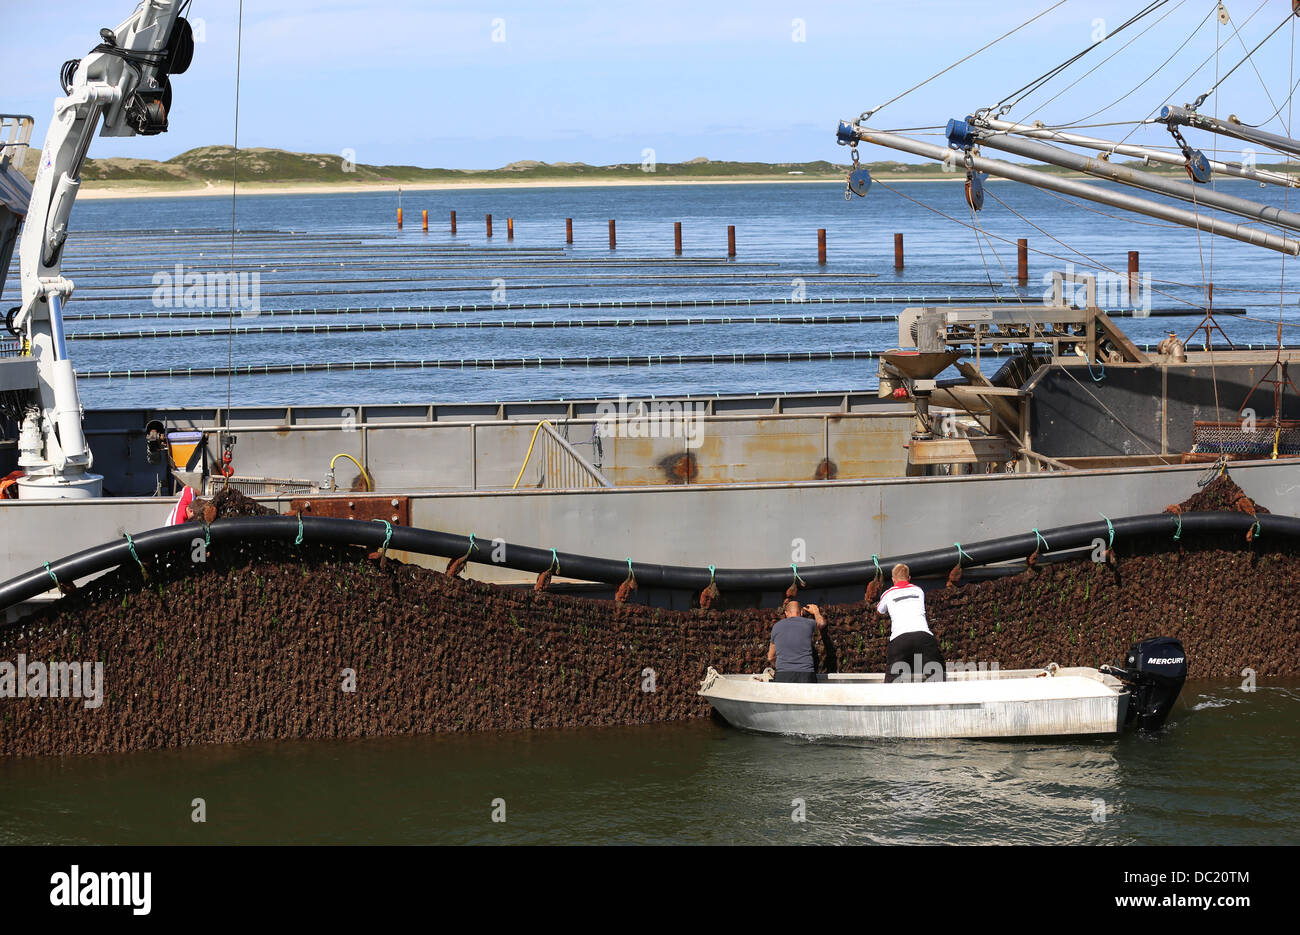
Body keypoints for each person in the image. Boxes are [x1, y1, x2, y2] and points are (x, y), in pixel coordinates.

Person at [875, 563, 945, 683]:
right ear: (909, 578)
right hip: (924, 636)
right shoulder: (919, 590)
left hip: (899, 639)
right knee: (936, 678)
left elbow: (879, 611)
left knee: (892, 682)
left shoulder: (888, 593)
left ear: (893, 580)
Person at [767, 599, 826, 683]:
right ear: (801, 612)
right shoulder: (809, 623)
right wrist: (816, 611)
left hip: (783, 675)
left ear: (786, 613)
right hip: (806, 674)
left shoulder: (776, 627)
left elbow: (770, 657)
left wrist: (781, 666)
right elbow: (822, 624)